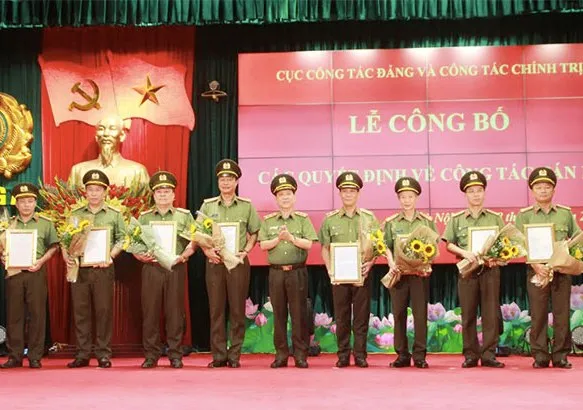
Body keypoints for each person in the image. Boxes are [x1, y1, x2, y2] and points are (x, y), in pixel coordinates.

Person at [198, 159, 261, 368]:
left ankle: (234, 355)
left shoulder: (246, 206)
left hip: (237, 264)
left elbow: (255, 232)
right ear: (218, 182)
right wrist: (207, 251)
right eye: (222, 179)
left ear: (236, 182)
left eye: (230, 179)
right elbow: (197, 233)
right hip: (215, 263)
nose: (226, 183)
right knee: (216, 310)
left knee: (236, 310)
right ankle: (218, 356)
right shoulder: (208, 206)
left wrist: (246, 250)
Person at [515, 167, 580, 369]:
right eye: (539, 187)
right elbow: (518, 244)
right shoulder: (524, 216)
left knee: (562, 314)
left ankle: (561, 355)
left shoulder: (565, 214)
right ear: (532, 191)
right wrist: (535, 264)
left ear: (553, 190)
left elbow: (577, 237)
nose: (543, 190)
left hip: (561, 272)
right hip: (536, 271)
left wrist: (568, 257)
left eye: (547, 187)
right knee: (538, 314)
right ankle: (540, 355)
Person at [443, 171, 505, 368]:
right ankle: (470, 354)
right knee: (468, 314)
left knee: (490, 314)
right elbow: (448, 244)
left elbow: (504, 244)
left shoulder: (495, 219)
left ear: (484, 193)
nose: (476, 194)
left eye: (479, 190)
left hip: (490, 271)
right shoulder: (457, 219)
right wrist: (464, 252)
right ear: (465, 194)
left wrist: (497, 258)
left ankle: (489, 354)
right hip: (467, 271)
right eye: (471, 191)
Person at [136, 171, 196, 369]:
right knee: (150, 313)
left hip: (175, 268)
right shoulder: (144, 217)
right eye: (159, 191)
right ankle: (151, 355)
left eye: (167, 191)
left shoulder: (184, 216)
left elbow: (194, 240)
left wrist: (185, 255)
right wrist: (139, 256)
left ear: (173, 195)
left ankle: (175, 354)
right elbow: (134, 242)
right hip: (151, 268)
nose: (163, 195)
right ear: (153, 195)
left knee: (175, 313)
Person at [65, 170, 125, 368]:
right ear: (85, 191)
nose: (94, 193)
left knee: (103, 311)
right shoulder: (75, 215)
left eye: (98, 189)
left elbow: (123, 238)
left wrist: (111, 256)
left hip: (103, 269)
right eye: (90, 189)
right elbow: (67, 240)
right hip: (80, 269)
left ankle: (103, 353)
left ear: (105, 192)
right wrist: (68, 257)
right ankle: (82, 354)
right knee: (80, 312)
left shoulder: (114, 215)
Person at [318, 171, 378, 368]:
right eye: (345, 191)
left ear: (358, 193)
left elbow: (378, 246)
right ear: (340, 193)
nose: (348, 194)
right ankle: (343, 354)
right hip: (339, 276)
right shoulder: (330, 219)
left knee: (361, 317)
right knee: (342, 316)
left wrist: (371, 263)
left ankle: (360, 355)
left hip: (362, 274)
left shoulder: (369, 218)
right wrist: (330, 270)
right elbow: (325, 248)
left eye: (352, 191)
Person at [258, 174, 317, 369]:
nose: (285, 197)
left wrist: (291, 238)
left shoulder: (302, 220)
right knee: (279, 314)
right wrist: (278, 239)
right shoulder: (268, 221)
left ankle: (300, 355)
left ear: (294, 197)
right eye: (281, 194)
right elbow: (263, 245)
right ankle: (281, 355)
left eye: (288, 194)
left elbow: (309, 243)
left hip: (297, 272)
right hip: (276, 273)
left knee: (299, 314)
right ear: (276, 198)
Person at [0, 184, 59, 369]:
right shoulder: (7, 224)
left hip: (36, 273)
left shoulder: (45, 223)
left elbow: (54, 246)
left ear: (35, 203)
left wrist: (41, 261)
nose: (26, 205)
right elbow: (3, 249)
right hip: (14, 274)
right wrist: (3, 257)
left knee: (37, 314)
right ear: (16, 204)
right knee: (14, 315)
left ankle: (35, 356)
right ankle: (15, 355)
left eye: (30, 201)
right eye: (22, 201)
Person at [384, 177, 437, 369]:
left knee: (420, 315)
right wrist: (391, 263)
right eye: (403, 197)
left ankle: (420, 355)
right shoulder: (391, 223)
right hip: (399, 275)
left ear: (416, 198)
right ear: (399, 199)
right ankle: (402, 355)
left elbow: (433, 247)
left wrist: (427, 264)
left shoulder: (426, 222)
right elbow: (386, 246)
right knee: (398, 315)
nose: (407, 200)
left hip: (418, 276)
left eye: (410, 196)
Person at [69, 116, 149, 187]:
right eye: (101, 129)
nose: (106, 134)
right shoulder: (78, 171)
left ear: (122, 136)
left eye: (112, 129)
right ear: (96, 137)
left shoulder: (137, 172)